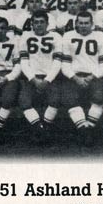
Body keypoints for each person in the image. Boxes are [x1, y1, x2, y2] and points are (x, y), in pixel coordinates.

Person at [61, 11, 103, 145]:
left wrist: (90, 77)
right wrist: (75, 78)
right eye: (80, 23)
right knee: (70, 99)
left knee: (100, 98)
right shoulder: (68, 36)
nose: (83, 26)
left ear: (92, 24)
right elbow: (65, 64)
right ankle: (86, 131)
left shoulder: (101, 36)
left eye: (86, 23)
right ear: (76, 24)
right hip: (74, 76)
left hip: (94, 76)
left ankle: (86, 129)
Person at [18, 10, 64, 143]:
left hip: (50, 76)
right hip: (31, 77)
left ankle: (45, 127)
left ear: (47, 24)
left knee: (55, 100)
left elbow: (57, 61)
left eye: (42, 22)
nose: (39, 25)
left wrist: (47, 79)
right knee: (24, 101)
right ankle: (40, 128)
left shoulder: (56, 37)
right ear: (31, 24)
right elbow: (24, 62)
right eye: (36, 22)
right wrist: (33, 79)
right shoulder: (25, 36)